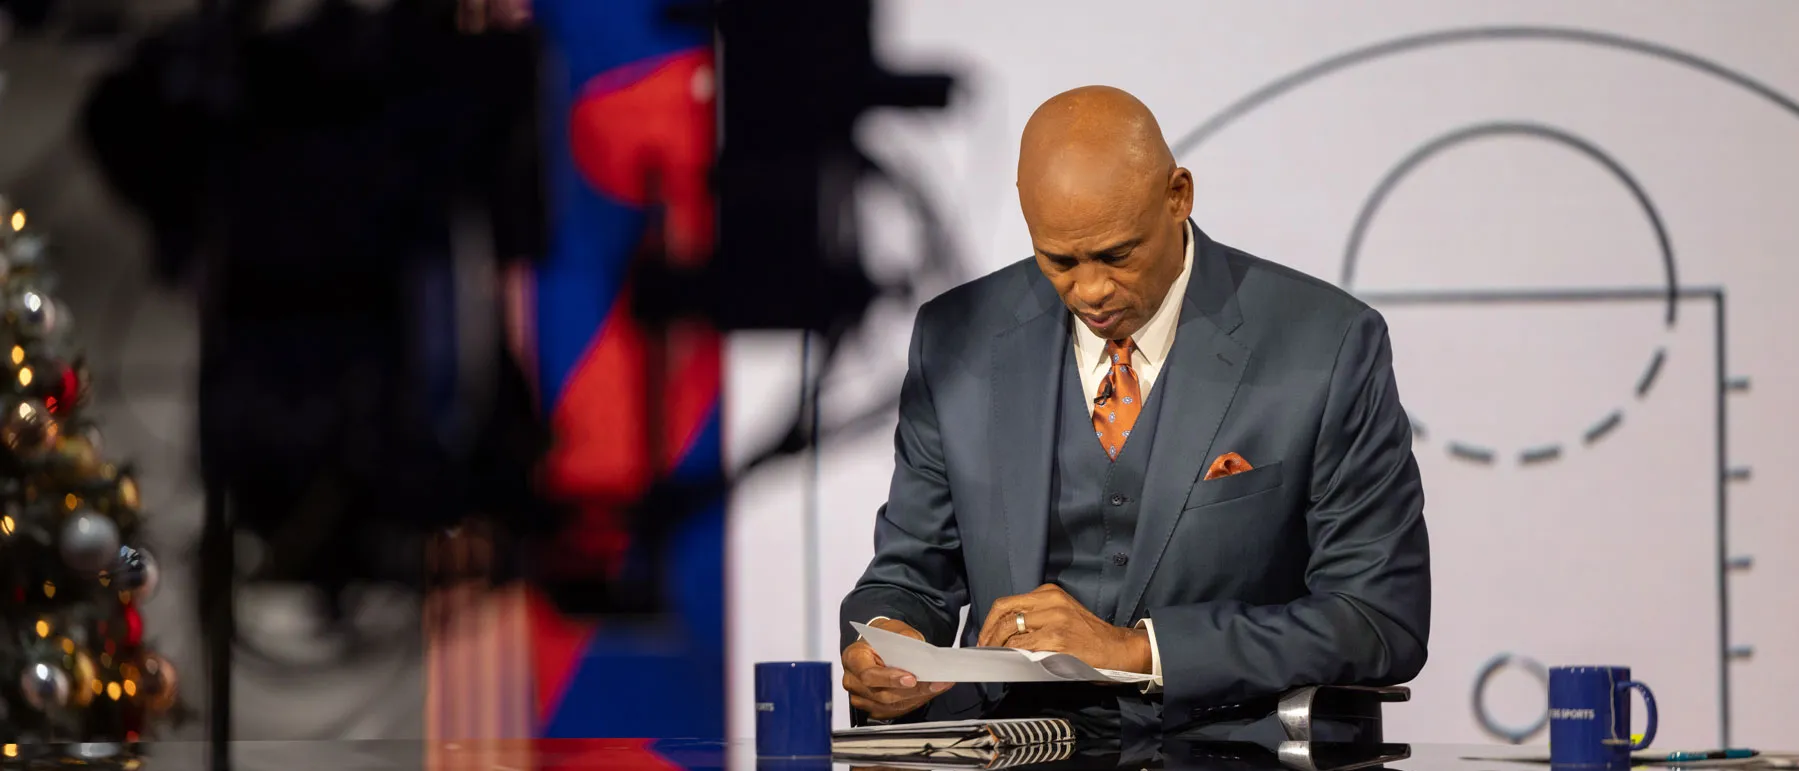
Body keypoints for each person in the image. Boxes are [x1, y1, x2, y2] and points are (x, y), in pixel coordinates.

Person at [838, 85, 1431, 735]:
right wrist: (887, 644)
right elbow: (910, 572)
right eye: (1058, 260)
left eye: (1117, 254)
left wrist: (1140, 651)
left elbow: (1377, 616)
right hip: (1006, 746)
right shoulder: (956, 338)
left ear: (1178, 195)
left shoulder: (1327, 343)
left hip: (1231, 749)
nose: (1090, 290)